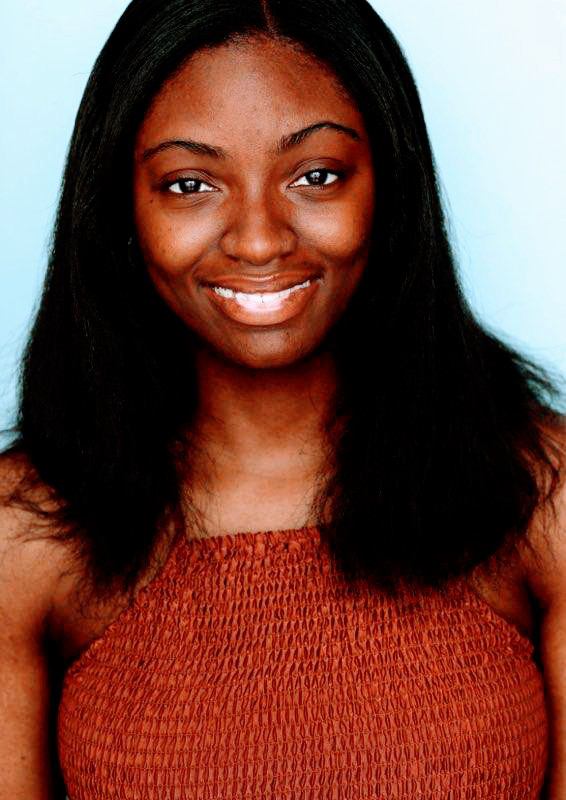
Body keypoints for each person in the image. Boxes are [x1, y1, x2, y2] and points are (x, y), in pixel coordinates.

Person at [1, 0, 565, 797]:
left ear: (390, 188)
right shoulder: (24, 535)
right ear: (122, 209)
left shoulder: (540, 495)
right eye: (190, 184)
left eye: (316, 175)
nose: (259, 239)